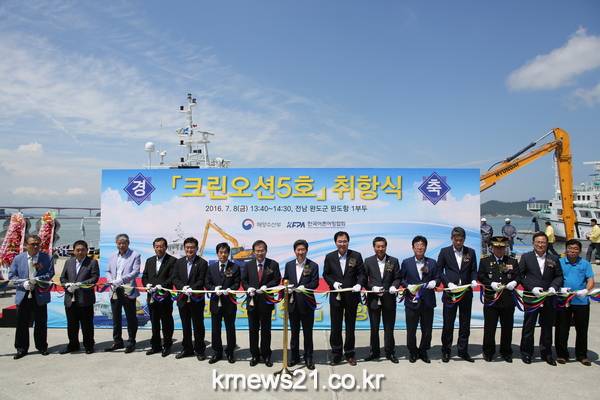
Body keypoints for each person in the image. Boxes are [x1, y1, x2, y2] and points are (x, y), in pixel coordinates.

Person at [519, 231, 563, 365]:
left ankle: (546, 353)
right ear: (533, 243)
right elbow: (520, 276)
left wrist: (554, 287)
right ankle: (526, 352)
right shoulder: (526, 257)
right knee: (529, 326)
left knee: (547, 327)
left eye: (543, 242)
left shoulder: (553, 258)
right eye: (538, 242)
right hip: (532, 297)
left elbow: (559, 276)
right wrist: (531, 288)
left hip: (549, 298)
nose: (540, 245)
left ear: (547, 244)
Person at [323, 231, 365, 366]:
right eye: (340, 241)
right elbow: (326, 274)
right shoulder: (330, 257)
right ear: (335, 242)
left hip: (352, 296)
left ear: (348, 242)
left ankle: (350, 353)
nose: (342, 244)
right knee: (335, 326)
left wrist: (359, 284)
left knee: (350, 326)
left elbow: (362, 274)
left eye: (345, 241)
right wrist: (333, 283)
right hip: (336, 296)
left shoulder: (356, 256)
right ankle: (336, 353)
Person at [9, 235, 55, 359]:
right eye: (32, 244)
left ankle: (42, 346)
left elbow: (50, 273)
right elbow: (12, 276)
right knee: (21, 323)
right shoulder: (18, 259)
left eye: (37, 244)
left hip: (39, 293)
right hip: (23, 294)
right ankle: (21, 348)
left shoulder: (47, 258)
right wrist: (23, 283)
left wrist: (37, 279)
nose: (35, 246)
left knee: (41, 322)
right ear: (26, 245)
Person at [438, 226, 478, 362]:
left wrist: (473, 279)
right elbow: (439, 271)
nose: (459, 242)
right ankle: (446, 350)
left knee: (465, 323)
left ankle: (463, 350)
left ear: (464, 239)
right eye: (456, 240)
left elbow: (473, 270)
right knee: (448, 323)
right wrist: (448, 283)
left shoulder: (470, 252)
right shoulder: (445, 252)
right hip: (451, 293)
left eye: (461, 240)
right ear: (452, 239)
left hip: (466, 293)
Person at [477, 236, 518, 362]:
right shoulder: (485, 261)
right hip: (491, 299)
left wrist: (515, 282)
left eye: (502, 248)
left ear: (505, 248)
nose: (499, 250)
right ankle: (488, 351)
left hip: (507, 300)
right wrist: (491, 283)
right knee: (490, 327)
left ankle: (506, 351)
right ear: (492, 248)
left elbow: (519, 276)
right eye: (496, 247)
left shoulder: (512, 261)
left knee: (507, 327)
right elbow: (481, 276)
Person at [241, 240, 281, 367]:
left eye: (262, 250)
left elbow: (277, 279)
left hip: (266, 302)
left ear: (266, 251)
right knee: (253, 330)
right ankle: (255, 355)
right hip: (252, 302)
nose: (260, 253)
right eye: (257, 251)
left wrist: (267, 286)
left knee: (266, 330)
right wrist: (248, 288)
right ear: (253, 252)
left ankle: (266, 355)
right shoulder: (248, 265)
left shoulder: (273, 264)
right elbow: (244, 280)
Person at [556, 239, 595, 366]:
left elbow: (590, 280)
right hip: (563, 300)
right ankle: (562, 354)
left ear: (579, 251)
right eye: (570, 248)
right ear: (566, 249)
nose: (572, 251)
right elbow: (554, 278)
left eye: (576, 249)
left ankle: (582, 355)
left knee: (582, 329)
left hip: (581, 301)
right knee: (562, 328)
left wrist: (586, 290)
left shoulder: (585, 264)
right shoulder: (560, 262)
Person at [400, 235, 439, 363]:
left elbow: (438, 277)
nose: (420, 247)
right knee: (411, 330)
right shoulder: (406, 262)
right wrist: (407, 286)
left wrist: (435, 282)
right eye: (417, 245)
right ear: (413, 247)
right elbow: (401, 278)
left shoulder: (432, 262)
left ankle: (423, 351)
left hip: (427, 301)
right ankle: (412, 351)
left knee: (427, 330)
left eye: (422, 245)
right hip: (412, 301)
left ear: (426, 247)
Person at [363, 236, 401, 363]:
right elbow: (364, 279)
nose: (380, 249)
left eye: (382, 246)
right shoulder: (368, 261)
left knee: (389, 327)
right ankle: (374, 352)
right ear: (374, 247)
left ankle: (390, 352)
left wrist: (394, 286)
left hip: (389, 298)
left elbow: (397, 278)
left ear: (386, 247)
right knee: (374, 327)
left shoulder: (393, 261)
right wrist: (372, 287)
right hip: (374, 299)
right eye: (378, 246)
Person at [284, 239, 319, 370]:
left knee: (307, 332)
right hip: (293, 303)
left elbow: (315, 283)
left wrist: (305, 287)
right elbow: (285, 279)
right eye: (298, 250)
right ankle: (294, 356)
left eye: (303, 250)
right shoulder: (289, 265)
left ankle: (308, 357)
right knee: (294, 332)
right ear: (295, 251)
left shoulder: (313, 265)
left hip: (307, 304)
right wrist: (287, 286)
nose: (300, 252)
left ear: (306, 250)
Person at [59, 240, 99, 354]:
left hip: (85, 299)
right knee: (72, 325)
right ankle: (73, 345)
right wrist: (67, 285)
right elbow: (62, 278)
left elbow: (94, 278)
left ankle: (89, 346)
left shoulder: (92, 262)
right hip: (70, 299)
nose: (80, 252)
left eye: (82, 250)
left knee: (87, 325)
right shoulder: (69, 262)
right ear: (74, 251)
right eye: (78, 250)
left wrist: (80, 284)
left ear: (87, 250)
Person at [171, 236, 208, 360]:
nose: (189, 250)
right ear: (184, 248)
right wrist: (183, 287)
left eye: (192, 247)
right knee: (185, 325)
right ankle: (187, 349)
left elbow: (202, 280)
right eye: (187, 247)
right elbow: (175, 278)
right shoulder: (179, 262)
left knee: (198, 325)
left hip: (196, 299)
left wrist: (191, 288)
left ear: (196, 249)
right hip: (182, 299)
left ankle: (200, 350)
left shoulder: (202, 263)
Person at [104, 233, 141, 353]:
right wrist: (111, 281)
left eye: (124, 243)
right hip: (114, 290)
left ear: (128, 243)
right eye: (119, 243)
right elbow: (108, 271)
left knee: (131, 317)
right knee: (116, 317)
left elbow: (135, 272)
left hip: (127, 290)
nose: (121, 245)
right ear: (116, 244)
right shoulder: (112, 256)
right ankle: (117, 341)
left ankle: (131, 342)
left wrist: (121, 280)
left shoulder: (135, 255)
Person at [206, 242, 241, 364]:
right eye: (221, 252)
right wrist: (213, 288)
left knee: (230, 328)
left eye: (225, 252)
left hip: (229, 303)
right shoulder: (211, 267)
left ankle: (230, 352)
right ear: (217, 253)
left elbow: (237, 283)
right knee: (215, 329)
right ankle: (217, 352)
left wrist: (230, 289)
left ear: (228, 253)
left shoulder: (234, 267)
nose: (223, 254)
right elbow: (207, 283)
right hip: (215, 302)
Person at [142, 237, 177, 357]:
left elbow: (172, 277)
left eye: (161, 246)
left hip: (164, 297)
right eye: (157, 246)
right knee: (154, 322)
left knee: (166, 322)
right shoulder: (149, 260)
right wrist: (146, 284)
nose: (159, 249)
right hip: (151, 297)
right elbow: (144, 276)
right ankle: (155, 345)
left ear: (166, 247)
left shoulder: (172, 261)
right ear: (154, 248)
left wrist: (162, 286)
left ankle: (167, 345)